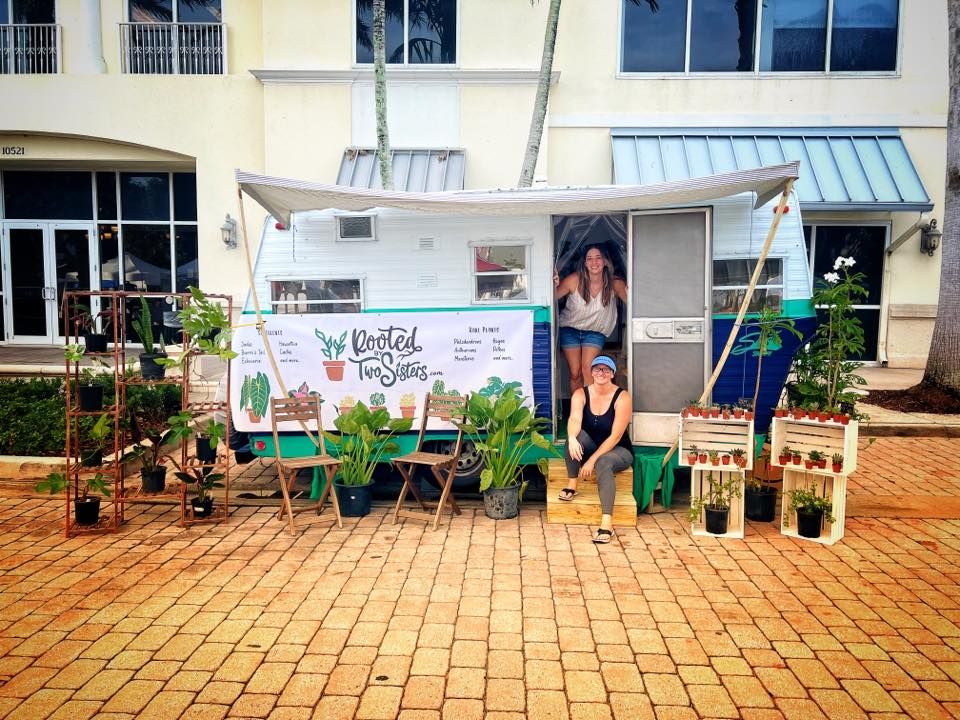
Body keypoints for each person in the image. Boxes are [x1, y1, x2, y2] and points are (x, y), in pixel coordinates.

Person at [558, 355, 633, 544]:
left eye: (606, 369)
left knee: (603, 462)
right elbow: (574, 419)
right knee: (574, 438)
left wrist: (591, 460)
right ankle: (572, 485)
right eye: (597, 369)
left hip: (618, 450)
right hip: (592, 445)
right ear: (591, 372)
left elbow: (616, 436)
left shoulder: (622, 397)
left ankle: (607, 523)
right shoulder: (581, 394)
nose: (601, 373)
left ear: (612, 374)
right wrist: (572, 438)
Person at [554, 244, 628, 393]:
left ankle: (591, 410)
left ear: (605, 261)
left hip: (595, 332)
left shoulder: (615, 283)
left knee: (588, 370)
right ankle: (578, 409)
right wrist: (552, 285)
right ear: (585, 263)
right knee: (575, 373)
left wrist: (634, 289)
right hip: (569, 329)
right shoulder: (573, 280)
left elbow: (635, 305)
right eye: (589, 259)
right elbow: (550, 298)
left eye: (598, 258)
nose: (594, 262)